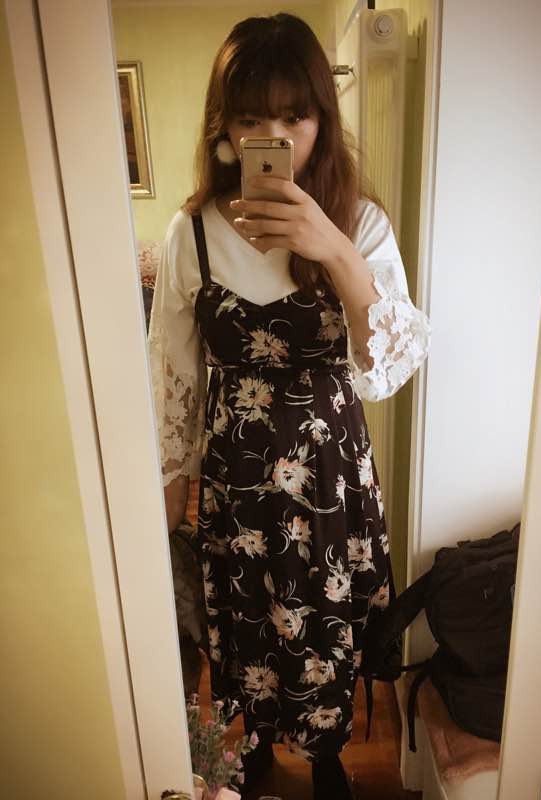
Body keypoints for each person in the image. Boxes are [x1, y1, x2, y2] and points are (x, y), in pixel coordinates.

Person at [148, 12, 431, 799]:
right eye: (250, 118)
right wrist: (167, 492)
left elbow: (389, 368)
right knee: (249, 622)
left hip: (330, 475)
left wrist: (332, 247)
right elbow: (170, 372)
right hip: (236, 479)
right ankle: (260, 746)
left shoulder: (359, 222)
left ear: (321, 121)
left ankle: (329, 753)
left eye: (294, 117)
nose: (272, 137)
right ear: (224, 128)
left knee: (326, 620)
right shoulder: (189, 233)